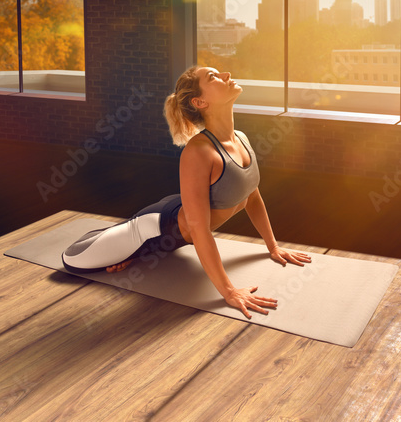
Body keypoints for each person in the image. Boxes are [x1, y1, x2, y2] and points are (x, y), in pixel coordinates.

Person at [62, 66, 311, 319]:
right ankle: (124, 242)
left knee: (120, 252)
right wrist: (229, 292)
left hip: (180, 210)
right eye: (213, 77)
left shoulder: (241, 139)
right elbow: (199, 230)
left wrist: (273, 247)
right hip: (156, 226)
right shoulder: (198, 151)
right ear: (200, 101)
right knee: (74, 259)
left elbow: (252, 197)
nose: (226, 74)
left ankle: (124, 246)